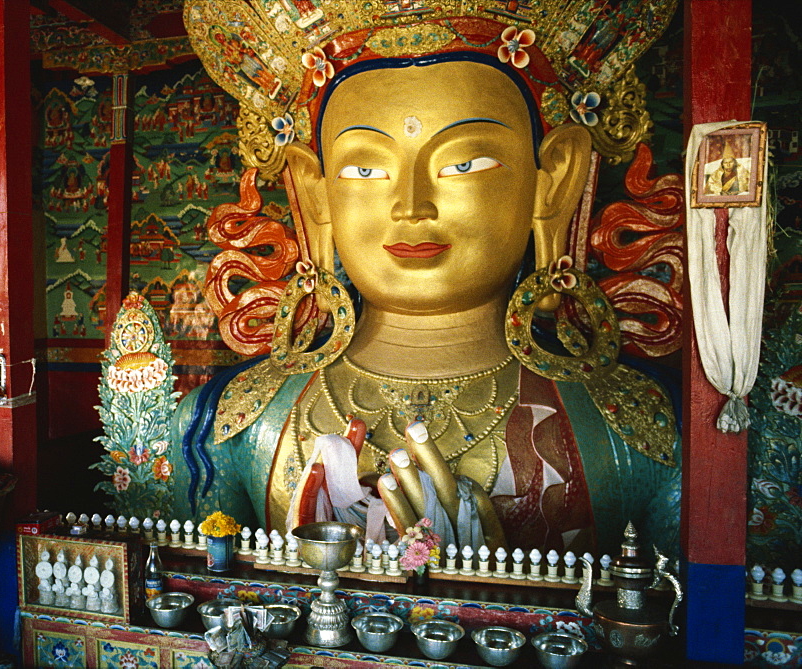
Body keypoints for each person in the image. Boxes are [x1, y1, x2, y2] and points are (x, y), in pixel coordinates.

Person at [161, 3, 680, 557]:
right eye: (366, 169)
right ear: (317, 193)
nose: (411, 205)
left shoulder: (638, 431)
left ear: (553, 179)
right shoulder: (232, 424)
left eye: (463, 164)